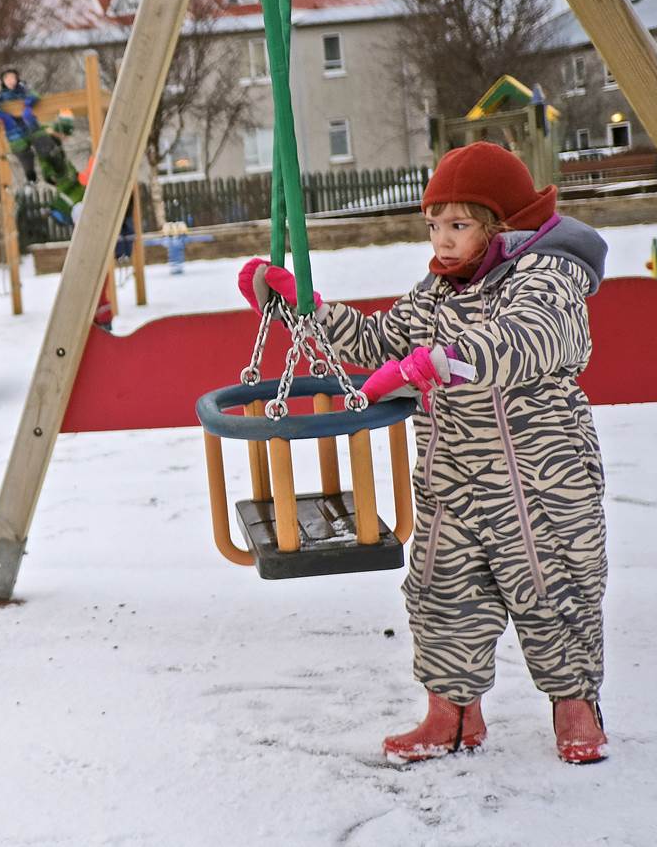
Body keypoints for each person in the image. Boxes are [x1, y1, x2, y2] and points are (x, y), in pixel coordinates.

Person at [237, 142, 611, 765]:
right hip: (453, 480)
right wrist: (306, 308)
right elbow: (381, 339)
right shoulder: (434, 294)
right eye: (433, 226)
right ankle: (453, 713)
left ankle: (575, 704)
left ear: (503, 227)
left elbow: (528, 338)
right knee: (440, 593)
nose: (442, 240)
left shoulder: (550, 277)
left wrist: (438, 362)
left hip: (540, 483)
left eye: (459, 226)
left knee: (556, 590)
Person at [0, 69, 72, 187]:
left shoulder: (23, 90)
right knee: (25, 157)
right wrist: (3, 115)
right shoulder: (0, 95)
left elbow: (35, 95)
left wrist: (28, 104)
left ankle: (53, 174)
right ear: (3, 81)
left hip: (31, 126)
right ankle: (32, 180)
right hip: (14, 133)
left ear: (17, 79)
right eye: (7, 79)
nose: (11, 81)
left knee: (46, 148)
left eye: (13, 78)